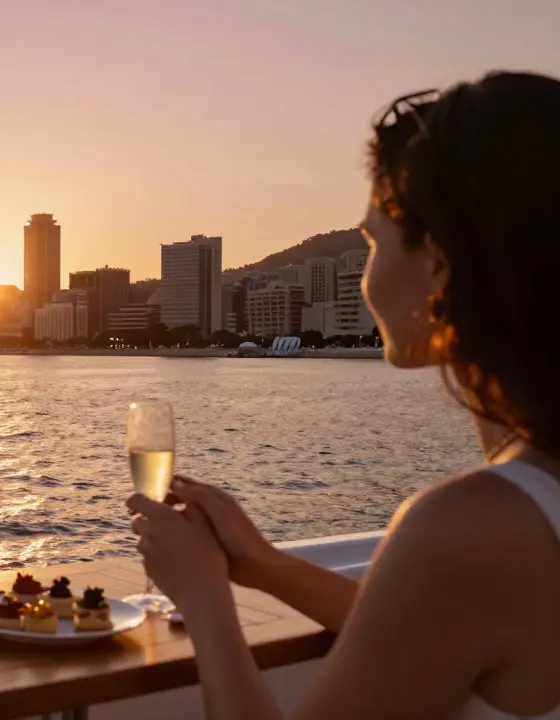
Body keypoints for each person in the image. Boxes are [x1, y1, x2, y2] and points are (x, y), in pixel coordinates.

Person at [127, 71, 560, 720]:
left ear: (437, 265)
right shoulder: (514, 528)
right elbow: (422, 627)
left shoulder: (468, 527)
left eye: (371, 244)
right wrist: (264, 564)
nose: (365, 277)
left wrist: (203, 596)